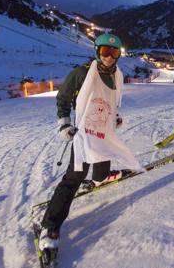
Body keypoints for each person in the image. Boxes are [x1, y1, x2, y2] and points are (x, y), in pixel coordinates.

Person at [38, 33, 143, 251]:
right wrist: (65, 124)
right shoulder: (82, 73)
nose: (110, 57)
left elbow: (111, 102)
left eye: (115, 53)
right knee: (74, 177)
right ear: (97, 51)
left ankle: (102, 178)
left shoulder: (117, 76)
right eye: (106, 51)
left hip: (103, 132)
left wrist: (115, 118)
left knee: (101, 172)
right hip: (85, 133)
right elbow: (63, 98)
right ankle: (50, 227)